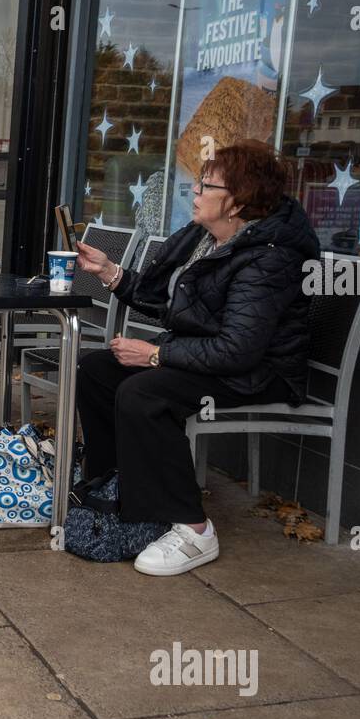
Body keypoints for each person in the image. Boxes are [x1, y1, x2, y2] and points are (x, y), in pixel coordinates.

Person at [73, 139, 318, 576]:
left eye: (206, 185)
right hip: (212, 356)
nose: (196, 192)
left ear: (237, 203)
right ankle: (119, 491)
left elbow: (238, 350)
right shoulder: (206, 240)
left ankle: (194, 528)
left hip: (259, 372)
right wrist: (110, 272)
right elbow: (176, 308)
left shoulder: (270, 259)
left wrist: (155, 355)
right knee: (96, 370)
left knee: (144, 394)